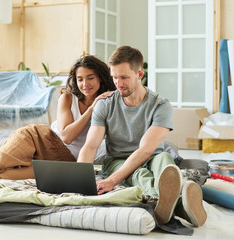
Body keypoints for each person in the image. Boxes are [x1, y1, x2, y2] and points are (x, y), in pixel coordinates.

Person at [77, 46, 207, 227]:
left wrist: (112, 181)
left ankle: (168, 200)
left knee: (164, 159)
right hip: (117, 160)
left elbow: (146, 150)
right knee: (140, 173)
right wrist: (79, 180)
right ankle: (178, 202)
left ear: (139, 74)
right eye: (114, 77)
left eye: (124, 77)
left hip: (151, 155)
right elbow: (90, 146)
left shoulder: (161, 105)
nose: (118, 83)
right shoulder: (104, 104)